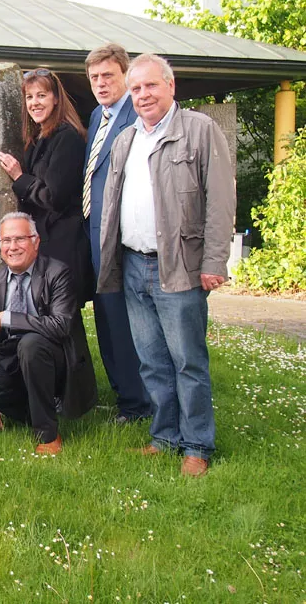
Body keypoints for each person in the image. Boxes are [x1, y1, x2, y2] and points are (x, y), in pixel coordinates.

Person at [97, 53, 235, 477]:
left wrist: (214, 260)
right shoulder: (126, 139)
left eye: (151, 85)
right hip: (133, 265)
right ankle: (165, 437)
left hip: (180, 267)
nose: (143, 95)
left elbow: (221, 200)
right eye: (136, 88)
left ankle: (197, 445)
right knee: (152, 361)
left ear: (171, 86)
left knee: (187, 361)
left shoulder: (199, 130)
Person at [0, 212, 96, 454]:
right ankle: (37, 410)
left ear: (36, 242)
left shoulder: (58, 273)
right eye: (6, 241)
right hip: (15, 359)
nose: (12, 247)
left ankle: (47, 435)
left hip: (55, 357)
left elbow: (60, 326)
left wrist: (7, 317)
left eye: (20, 239)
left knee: (31, 345)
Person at [82, 44, 151, 424]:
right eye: (94, 77)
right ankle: (124, 393)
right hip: (93, 233)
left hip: (119, 237)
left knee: (124, 323)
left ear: (125, 75)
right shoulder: (98, 115)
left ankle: (137, 404)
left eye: (108, 75)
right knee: (106, 320)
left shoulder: (135, 116)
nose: (101, 83)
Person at [0, 68, 91, 305]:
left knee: (63, 320)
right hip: (46, 246)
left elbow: (54, 197)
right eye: (29, 97)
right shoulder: (39, 137)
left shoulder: (67, 137)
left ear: (56, 98)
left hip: (62, 248)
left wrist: (19, 177)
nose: (35, 103)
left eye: (41, 95)